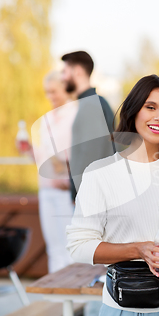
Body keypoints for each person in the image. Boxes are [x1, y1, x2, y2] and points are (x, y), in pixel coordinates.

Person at [67, 75, 159, 316]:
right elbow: (78, 246)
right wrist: (137, 250)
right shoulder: (100, 173)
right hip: (120, 309)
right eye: (151, 107)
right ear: (134, 110)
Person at [19, 71, 77, 273]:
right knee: (54, 248)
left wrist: (69, 177)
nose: (50, 97)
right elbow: (44, 156)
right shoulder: (46, 120)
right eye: (47, 92)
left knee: (71, 248)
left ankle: (74, 299)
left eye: (54, 91)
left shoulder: (75, 115)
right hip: (46, 189)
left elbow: (81, 155)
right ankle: (58, 301)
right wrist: (28, 151)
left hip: (65, 191)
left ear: (65, 89)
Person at [60, 51, 116, 202]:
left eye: (64, 72)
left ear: (77, 71)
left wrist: (78, 195)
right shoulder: (93, 103)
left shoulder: (90, 105)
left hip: (90, 200)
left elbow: (90, 156)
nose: (62, 78)